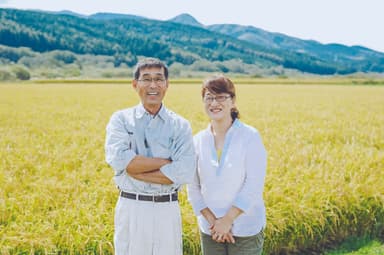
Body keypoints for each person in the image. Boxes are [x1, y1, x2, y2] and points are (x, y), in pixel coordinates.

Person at [105, 57, 196, 255]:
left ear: (167, 85)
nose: (153, 85)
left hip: (167, 208)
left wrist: (135, 169)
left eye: (158, 79)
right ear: (135, 84)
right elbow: (120, 160)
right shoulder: (120, 120)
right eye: (146, 79)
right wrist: (166, 163)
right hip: (132, 206)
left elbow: (184, 172)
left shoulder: (180, 125)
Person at [187, 75, 267, 255]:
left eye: (221, 97)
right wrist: (214, 222)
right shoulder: (198, 141)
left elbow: (253, 184)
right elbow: (192, 187)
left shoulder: (250, 137)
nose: (214, 103)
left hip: (246, 227)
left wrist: (227, 220)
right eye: (209, 97)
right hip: (210, 229)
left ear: (233, 101)